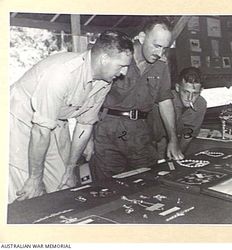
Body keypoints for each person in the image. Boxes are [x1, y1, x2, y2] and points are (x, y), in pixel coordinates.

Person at [9, 31, 133, 203]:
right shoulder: (62, 74)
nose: (124, 73)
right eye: (121, 66)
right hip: (19, 120)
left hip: (52, 121)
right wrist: (35, 178)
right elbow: (40, 131)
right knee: (26, 189)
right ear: (104, 59)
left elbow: (84, 125)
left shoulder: (105, 81)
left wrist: (70, 168)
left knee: (64, 182)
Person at [90, 18, 184, 183]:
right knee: (109, 188)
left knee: (147, 184)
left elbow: (165, 101)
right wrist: (88, 140)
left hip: (141, 134)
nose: (160, 53)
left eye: (164, 48)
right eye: (156, 45)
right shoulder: (118, 58)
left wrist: (173, 139)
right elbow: (92, 98)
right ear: (141, 38)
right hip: (109, 132)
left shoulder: (161, 66)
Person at [150, 67, 207, 160]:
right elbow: (157, 138)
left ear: (201, 91)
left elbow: (188, 134)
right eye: (186, 92)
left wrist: (177, 155)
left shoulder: (201, 104)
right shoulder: (164, 102)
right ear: (177, 88)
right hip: (152, 145)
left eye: (195, 93)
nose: (190, 98)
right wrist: (161, 160)